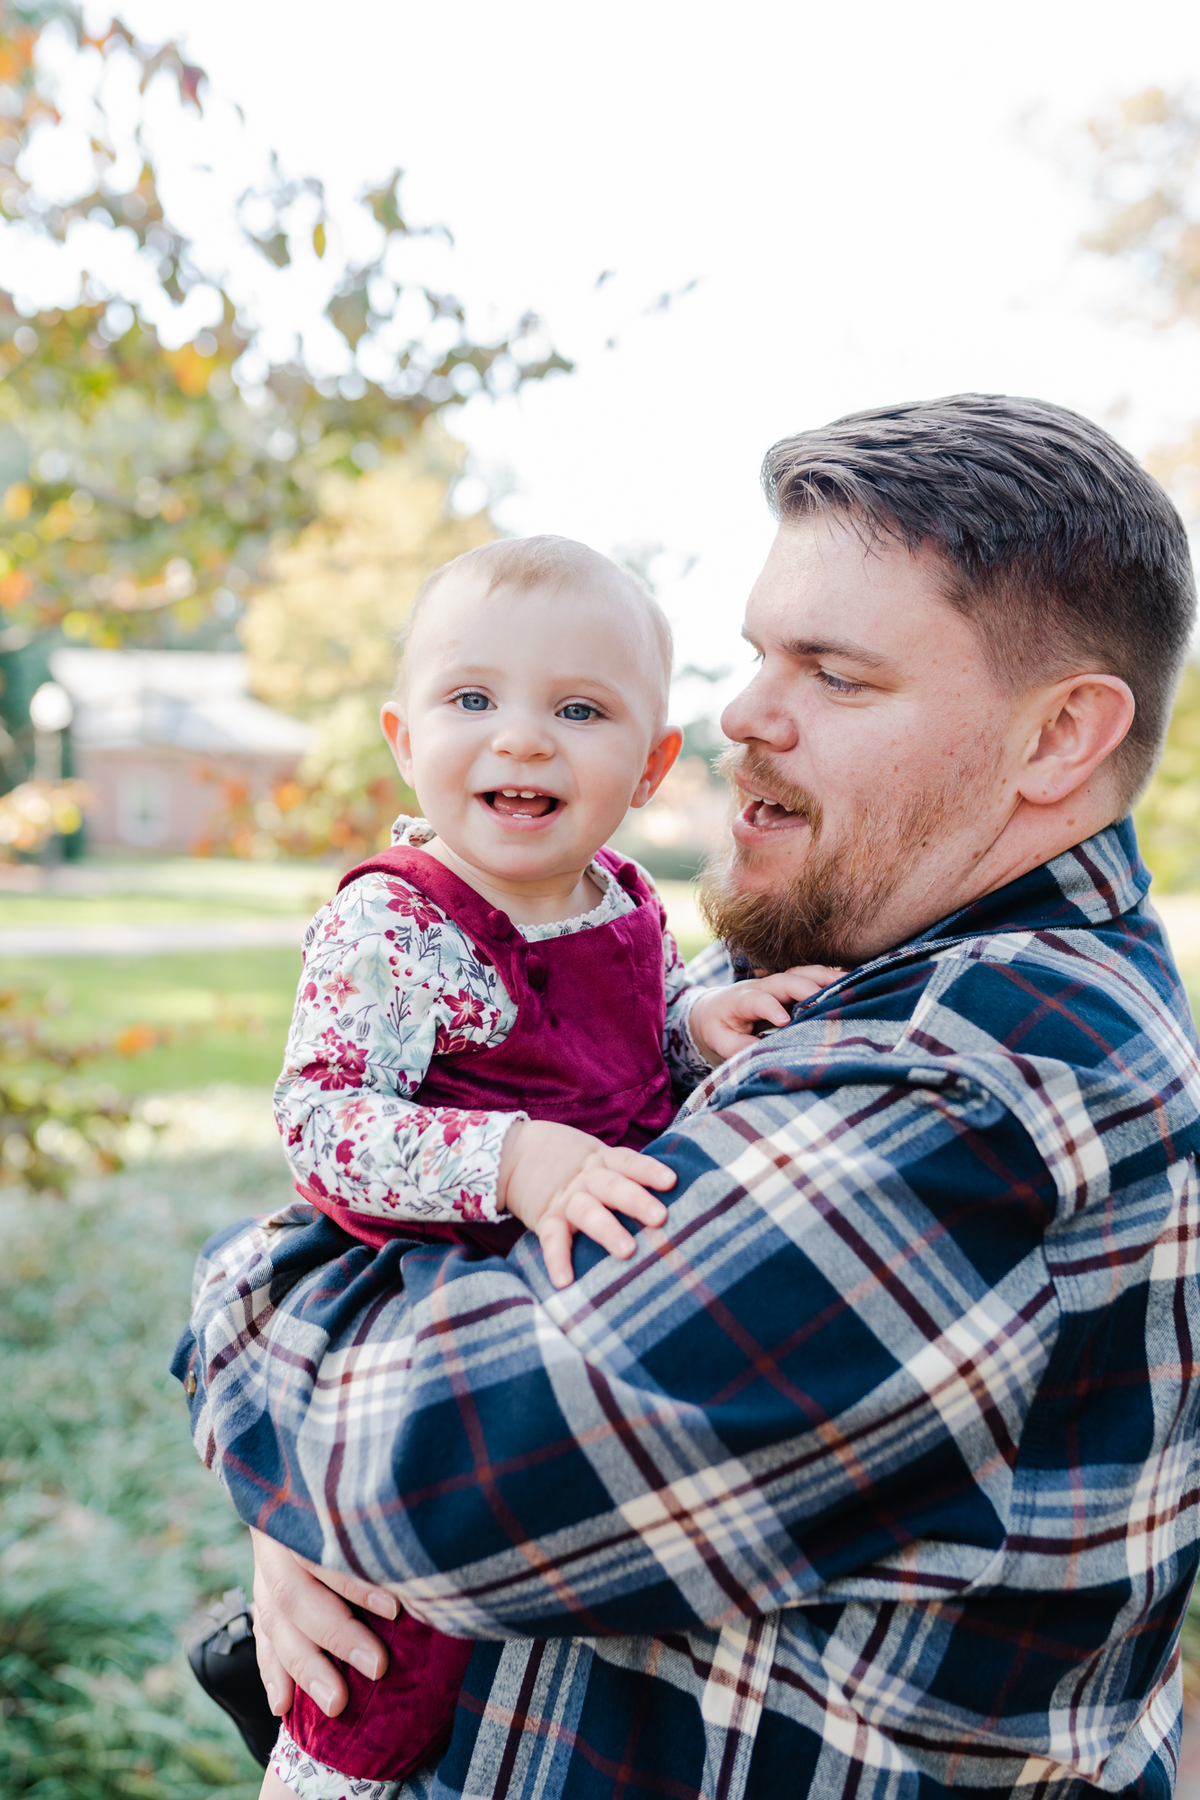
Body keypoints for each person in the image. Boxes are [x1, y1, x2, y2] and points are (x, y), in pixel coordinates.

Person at [176, 393, 1200, 1800]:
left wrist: (263, 1391)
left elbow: (434, 1484)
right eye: (757, 655)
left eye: (835, 675)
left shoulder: (975, 1083)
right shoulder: (836, 956)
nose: (740, 717)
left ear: (1058, 737)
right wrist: (304, 1484)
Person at [256, 533, 837, 1797]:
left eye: (579, 710)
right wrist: (511, 1157)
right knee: (382, 1654)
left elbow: (611, 1050)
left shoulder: (619, 893)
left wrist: (693, 1028)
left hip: (577, 1311)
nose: (521, 740)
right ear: (405, 738)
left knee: (530, 1628)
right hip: (433, 1301)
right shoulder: (395, 921)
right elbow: (319, 1123)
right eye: (473, 701)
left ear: (651, 767)